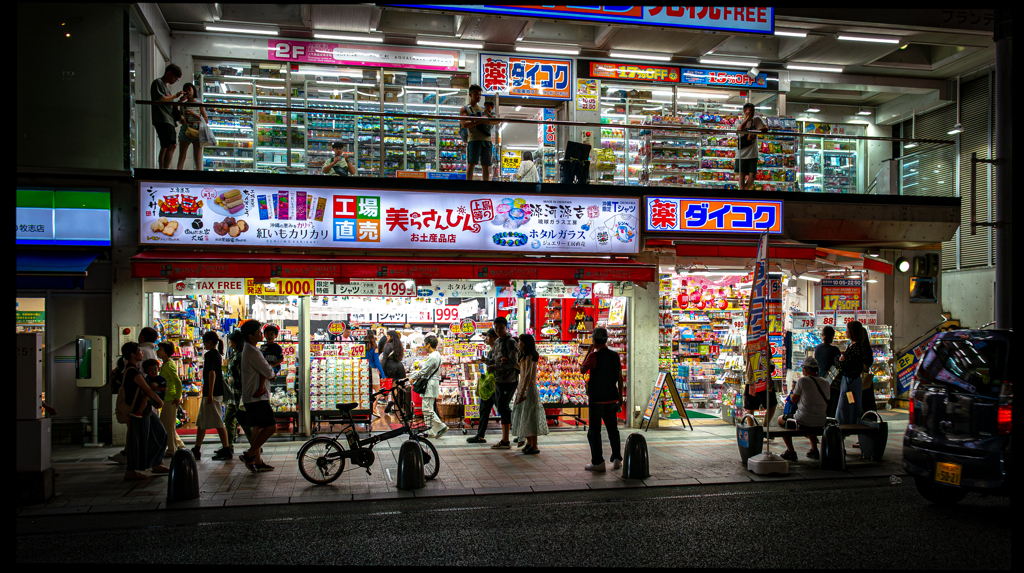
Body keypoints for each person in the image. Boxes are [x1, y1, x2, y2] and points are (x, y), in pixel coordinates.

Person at [118, 342, 170, 481]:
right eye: (139, 351)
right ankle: (131, 471)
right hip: (138, 412)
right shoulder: (133, 371)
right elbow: (147, 389)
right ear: (132, 355)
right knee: (138, 441)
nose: (142, 353)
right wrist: (159, 401)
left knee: (159, 434)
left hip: (145, 411)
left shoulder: (134, 369)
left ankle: (156, 463)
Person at [580, 327, 625, 471]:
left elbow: (582, 369)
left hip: (597, 400)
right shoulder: (614, 355)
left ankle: (598, 462)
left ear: (593, 340)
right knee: (613, 430)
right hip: (612, 398)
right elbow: (619, 377)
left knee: (594, 431)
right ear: (606, 340)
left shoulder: (594, 356)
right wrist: (620, 398)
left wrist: (589, 351)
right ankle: (617, 458)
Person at [238, 319, 279, 472]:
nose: (262, 334)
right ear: (252, 334)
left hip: (252, 396)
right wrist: (271, 373)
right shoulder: (253, 351)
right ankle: (249, 454)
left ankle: (257, 461)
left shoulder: (249, 349)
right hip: (257, 398)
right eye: (259, 332)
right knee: (271, 427)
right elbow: (268, 371)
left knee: (258, 429)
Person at [775, 356, 831, 461]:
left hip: (803, 420)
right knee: (811, 416)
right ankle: (814, 450)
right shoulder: (826, 382)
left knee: (780, 420)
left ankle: (790, 451)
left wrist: (793, 390)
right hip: (821, 420)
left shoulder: (802, 381)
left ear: (805, 369)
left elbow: (794, 400)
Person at [193, 331, 233, 461]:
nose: (203, 344)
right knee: (202, 422)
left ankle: (226, 448)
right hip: (215, 393)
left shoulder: (210, 354)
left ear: (210, 342)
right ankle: (197, 448)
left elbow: (212, 373)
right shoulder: (216, 355)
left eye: (204, 342)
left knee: (218, 422)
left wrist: (209, 393)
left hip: (213, 394)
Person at [511, 334, 548, 455]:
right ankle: (529, 442)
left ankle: (535, 445)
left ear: (526, 343)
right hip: (524, 388)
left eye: (520, 342)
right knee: (524, 416)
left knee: (530, 416)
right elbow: (522, 370)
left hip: (528, 390)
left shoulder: (530, 357)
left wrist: (522, 393)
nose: (518, 344)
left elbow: (527, 376)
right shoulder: (524, 356)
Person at [488, 316, 519, 449]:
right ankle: (505, 439)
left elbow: (513, 363)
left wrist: (496, 367)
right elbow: (496, 359)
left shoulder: (511, 342)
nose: (499, 330)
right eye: (496, 328)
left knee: (503, 406)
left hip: (509, 379)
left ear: (506, 328)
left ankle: (508, 438)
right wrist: (488, 362)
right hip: (498, 379)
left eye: (501, 328)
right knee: (501, 407)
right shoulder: (497, 342)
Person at [409, 335, 449, 438]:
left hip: (430, 384)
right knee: (429, 407)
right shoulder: (436, 355)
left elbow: (424, 371)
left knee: (426, 408)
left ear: (428, 344)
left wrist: (414, 376)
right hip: (432, 383)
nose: (424, 347)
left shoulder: (432, 356)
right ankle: (430, 431)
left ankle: (441, 426)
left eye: (424, 344)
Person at [836, 321, 873, 428]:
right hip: (852, 382)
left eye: (847, 329)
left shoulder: (855, 348)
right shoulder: (854, 346)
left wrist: (838, 361)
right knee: (851, 405)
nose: (845, 331)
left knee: (847, 406)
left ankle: (846, 427)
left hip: (850, 382)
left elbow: (844, 366)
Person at [467, 328, 498, 444]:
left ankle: (518, 433)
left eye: (488, 336)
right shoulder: (491, 351)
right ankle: (480, 435)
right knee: (484, 409)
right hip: (489, 385)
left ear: (495, 338)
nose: (486, 339)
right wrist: (486, 361)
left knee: (503, 410)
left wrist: (487, 361)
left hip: (496, 385)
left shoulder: (498, 351)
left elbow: (499, 364)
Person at [223, 330, 254, 447]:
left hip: (240, 394)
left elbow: (243, 375)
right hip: (233, 393)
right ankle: (228, 445)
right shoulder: (235, 354)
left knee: (244, 421)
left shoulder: (241, 356)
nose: (229, 341)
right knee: (229, 420)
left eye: (231, 340)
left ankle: (255, 445)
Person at [151, 63, 185, 170]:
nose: (175, 81)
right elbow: (160, 99)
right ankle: (165, 171)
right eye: (175, 78)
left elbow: (169, 104)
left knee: (165, 146)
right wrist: (175, 96)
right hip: (163, 118)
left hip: (166, 119)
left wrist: (179, 100)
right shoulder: (158, 83)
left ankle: (162, 170)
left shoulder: (166, 87)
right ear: (169, 73)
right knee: (171, 145)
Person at [461, 85, 497, 181]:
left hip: (486, 140)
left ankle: (485, 186)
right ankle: (469, 186)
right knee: (471, 163)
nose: (478, 96)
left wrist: (486, 115)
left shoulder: (482, 109)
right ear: (470, 94)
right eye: (476, 94)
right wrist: (479, 121)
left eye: (480, 95)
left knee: (486, 165)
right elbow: (464, 124)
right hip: (474, 139)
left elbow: (496, 121)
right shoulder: (465, 109)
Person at [156, 342, 186, 456]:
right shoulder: (166, 364)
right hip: (168, 398)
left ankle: (172, 449)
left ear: (166, 351)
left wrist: (178, 397)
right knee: (168, 424)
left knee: (167, 425)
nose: (158, 351)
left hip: (171, 398)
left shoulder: (168, 365)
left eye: (160, 349)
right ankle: (179, 446)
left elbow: (177, 381)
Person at [744, 342, 778, 431]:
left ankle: (751, 430)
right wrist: (769, 381)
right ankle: (764, 427)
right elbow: (768, 362)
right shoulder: (764, 343)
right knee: (771, 405)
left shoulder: (749, 343)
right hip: (763, 379)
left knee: (750, 407)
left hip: (751, 379)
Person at [734, 102, 769, 191]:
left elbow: (766, 128)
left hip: (753, 153)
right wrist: (747, 118)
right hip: (741, 153)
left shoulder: (757, 119)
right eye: (750, 111)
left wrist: (754, 131)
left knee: (752, 175)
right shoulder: (739, 121)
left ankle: (745, 192)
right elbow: (740, 128)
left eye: (753, 111)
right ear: (745, 111)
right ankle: (743, 192)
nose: (752, 113)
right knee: (741, 175)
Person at [175, 82, 208, 171]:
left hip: (197, 130)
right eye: (186, 90)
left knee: (197, 157)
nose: (188, 91)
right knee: (182, 156)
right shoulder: (183, 104)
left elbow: (206, 120)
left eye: (189, 89)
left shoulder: (199, 104)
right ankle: (178, 176)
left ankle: (199, 178)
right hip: (186, 128)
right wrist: (182, 118)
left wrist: (193, 114)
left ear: (193, 90)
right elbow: (180, 119)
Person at [814, 326, 842, 418]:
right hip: (832, 382)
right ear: (833, 336)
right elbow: (837, 366)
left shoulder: (817, 348)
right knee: (832, 406)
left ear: (822, 335)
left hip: (820, 379)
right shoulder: (835, 350)